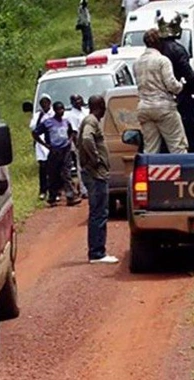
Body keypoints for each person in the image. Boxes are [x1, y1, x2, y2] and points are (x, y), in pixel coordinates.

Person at [77, 95, 119, 264]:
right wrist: (96, 159)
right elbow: (87, 138)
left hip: (94, 174)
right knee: (99, 213)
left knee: (98, 212)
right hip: (95, 175)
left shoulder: (90, 120)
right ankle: (97, 252)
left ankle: (97, 251)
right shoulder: (91, 121)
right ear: (101, 106)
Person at [133, 28, 187, 154]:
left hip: (144, 107)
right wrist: (181, 84)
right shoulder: (162, 60)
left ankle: (149, 171)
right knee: (177, 145)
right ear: (159, 42)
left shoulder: (137, 62)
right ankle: (181, 171)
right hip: (163, 107)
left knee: (150, 148)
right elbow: (171, 85)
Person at [157, 12, 194, 149]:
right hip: (180, 97)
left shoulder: (156, 50)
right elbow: (188, 75)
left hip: (160, 99)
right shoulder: (178, 50)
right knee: (185, 135)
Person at [33, 101, 81, 207]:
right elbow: (35, 133)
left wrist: (70, 141)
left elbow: (72, 133)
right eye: (59, 109)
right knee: (53, 175)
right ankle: (52, 197)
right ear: (54, 110)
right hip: (54, 151)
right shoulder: (47, 122)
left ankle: (70, 197)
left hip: (65, 151)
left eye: (62, 109)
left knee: (66, 174)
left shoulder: (66, 122)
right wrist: (46, 145)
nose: (61, 111)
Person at [29, 94, 54, 200]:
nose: (45, 105)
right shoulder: (38, 115)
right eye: (42, 103)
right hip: (41, 143)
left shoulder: (53, 114)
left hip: (52, 142)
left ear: (50, 103)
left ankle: (54, 190)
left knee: (53, 168)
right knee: (43, 167)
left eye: (46, 102)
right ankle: (43, 190)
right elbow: (32, 127)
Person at [67, 94, 89, 199]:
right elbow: (74, 133)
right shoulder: (72, 115)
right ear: (72, 103)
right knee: (81, 167)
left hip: (89, 141)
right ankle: (84, 190)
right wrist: (78, 147)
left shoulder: (85, 111)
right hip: (80, 144)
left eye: (80, 99)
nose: (79, 101)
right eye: (76, 100)